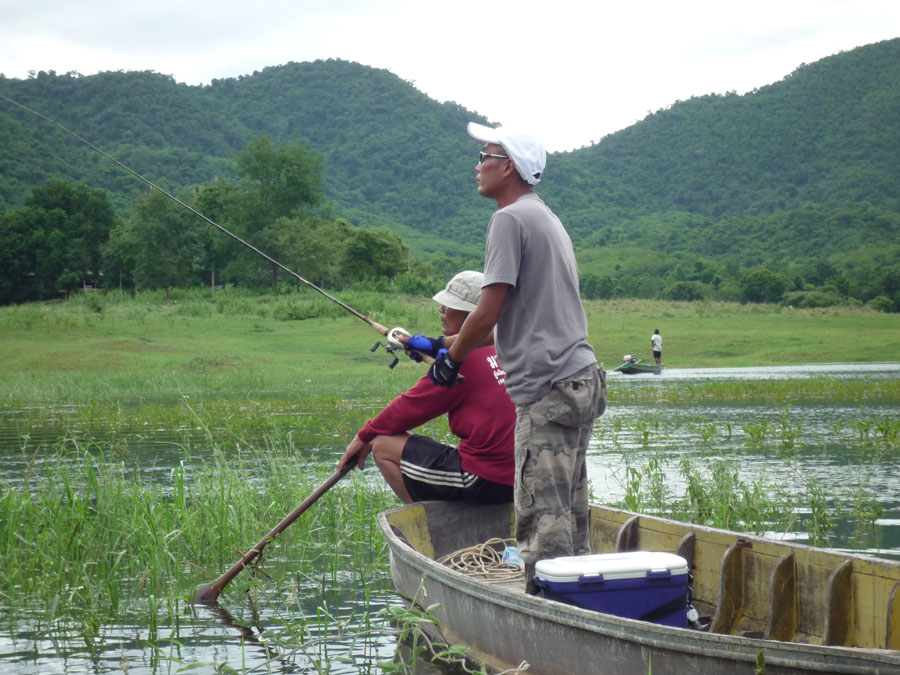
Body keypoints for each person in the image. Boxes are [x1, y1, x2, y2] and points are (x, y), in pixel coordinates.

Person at [429, 122, 607, 592]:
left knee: (542, 515)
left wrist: (450, 362)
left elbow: (488, 310)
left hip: (547, 387)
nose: (477, 165)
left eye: (484, 155)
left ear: (507, 166)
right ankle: (580, 595)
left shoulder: (507, 220)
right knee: (570, 505)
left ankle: (548, 609)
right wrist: (440, 346)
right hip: (580, 376)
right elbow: (515, 318)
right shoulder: (543, 216)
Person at [337, 270, 515, 504]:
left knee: (382, 444)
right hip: (520, 476)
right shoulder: (505, 347)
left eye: (449, 306)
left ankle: (426, 525)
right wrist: (430, 348)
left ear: (473, 316)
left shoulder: (458, 361)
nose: (441, 310)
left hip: (484, 479)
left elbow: (410, 407)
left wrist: (364, 436)